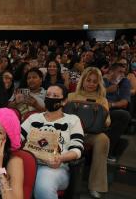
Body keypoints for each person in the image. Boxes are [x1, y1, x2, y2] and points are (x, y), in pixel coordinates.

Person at [21, 84, 84, 199]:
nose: (50, 98)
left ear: (64, 101)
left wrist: (60, 158)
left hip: (56, 167)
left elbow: (77, 149)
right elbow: (17, 137)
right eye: (48, 95)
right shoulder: (33, 118)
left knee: (44, 182)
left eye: (55, 96)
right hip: (28, 163)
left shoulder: (72, 120)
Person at [68, 67, 110, 198]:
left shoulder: (102, 100)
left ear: (99, 83)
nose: (91, 84)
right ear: (83, 80)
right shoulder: (71, 96)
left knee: (103, 139)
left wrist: (101, 119)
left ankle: (96, 185)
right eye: (88, 80)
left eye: (94, 81)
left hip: (91, 134)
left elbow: (108, 121)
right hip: (71, 132)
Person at [103, 63, 131, 162]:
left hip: (112, 110)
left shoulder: (125, 82)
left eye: (124, 72)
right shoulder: (102, 80)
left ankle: (107, 152)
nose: (122, 74)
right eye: (120, 72)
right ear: (111, 71)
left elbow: (124, 102)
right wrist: (107, 90)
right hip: (98, 108)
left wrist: (111, 105)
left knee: (124, 115)